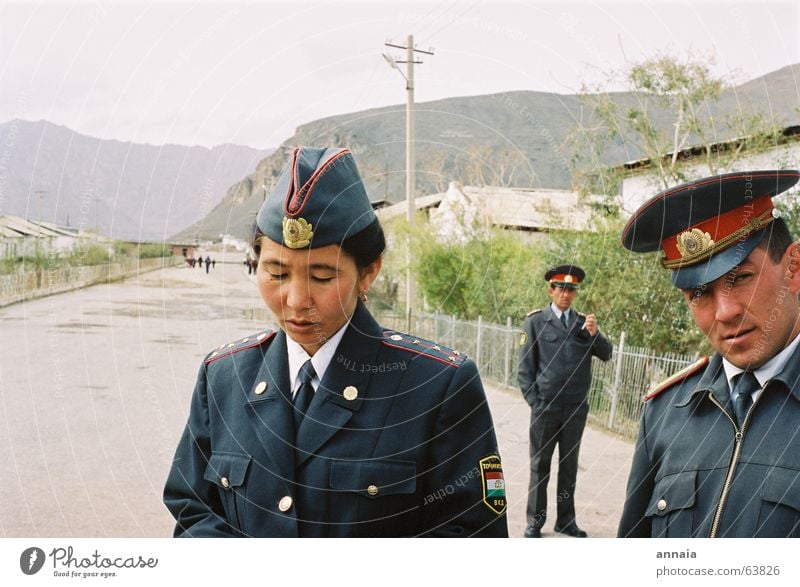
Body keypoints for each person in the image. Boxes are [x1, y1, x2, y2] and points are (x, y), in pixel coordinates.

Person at [163, 146, 508, 537]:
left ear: (368, 273)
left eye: (322, 277)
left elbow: (473, 537)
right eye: (276, 273)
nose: (295, 301)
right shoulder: (223, 378)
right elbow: (191, 507)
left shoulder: (437, 385)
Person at [618, 169, 800, 538]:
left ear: (794, 268)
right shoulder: (666, 412)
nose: (725, 311)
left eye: (742, 278)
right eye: (699, 293)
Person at [518, 265, 613, 538]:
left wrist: (595, 334)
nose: (566, 294)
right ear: (551, 290)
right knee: (540, 465)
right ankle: (534, 522)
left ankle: (566, 521)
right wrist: (535, 402)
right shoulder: (535, 322)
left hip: (575, 408)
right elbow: (524, 369)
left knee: (569, 466)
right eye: (561, 288)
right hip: (545, 407)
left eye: (571, 290)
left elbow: (606, 354)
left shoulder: (584, 323)